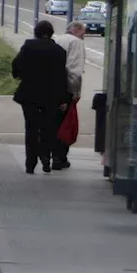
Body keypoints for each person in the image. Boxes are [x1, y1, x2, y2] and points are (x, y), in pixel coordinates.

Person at [11, 19, 69, 174]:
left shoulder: (29, 46)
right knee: (48, 128)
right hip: (51, 96)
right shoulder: (60, 51)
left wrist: (22, 75)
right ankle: (46, 159)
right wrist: (64, 98)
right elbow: (63, 76)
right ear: (51, 34)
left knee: (31, 128)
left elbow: (16, 66)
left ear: (36, 32)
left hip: (29, 95)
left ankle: (30, 164)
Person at [51, 20, 87, 170]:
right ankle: (60, 157)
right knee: (66, 125)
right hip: (66, 90)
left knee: (53, 124)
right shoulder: (76, 42)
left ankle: (53, 155)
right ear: (77, 30)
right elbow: (75, 71)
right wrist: (74, 93)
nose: (84, 36)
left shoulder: (57, 39)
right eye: (83, 32)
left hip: (52, 88)